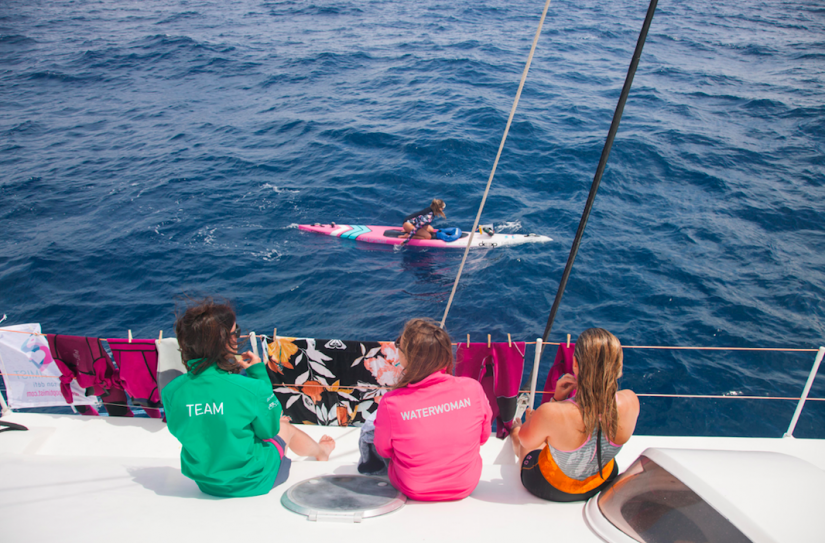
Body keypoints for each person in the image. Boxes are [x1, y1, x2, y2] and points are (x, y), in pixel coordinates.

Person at [162, 298, 335, 498]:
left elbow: (188, 427)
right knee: (284, 426)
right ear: (225, 341)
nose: (238, 336)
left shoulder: (172, 391)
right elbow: (268, 431)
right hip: (253, 480)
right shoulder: (250, 388)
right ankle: (321, 452)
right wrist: (258, 374)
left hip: (206, 482)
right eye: (235, 332)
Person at [510, 328, 639, 502]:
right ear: (618, 365)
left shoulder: (551, 412)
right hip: (603, 480)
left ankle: (514, 430)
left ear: (575, 364)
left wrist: (553, 403)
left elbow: (528, 441)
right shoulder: (631, 401)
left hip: (554, 488)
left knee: (524, 438)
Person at [373, 318, 492, 501]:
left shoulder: (391, 403)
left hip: (413, 488)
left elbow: (383, 450)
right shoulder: (473, 389)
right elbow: (483, 438)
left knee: (369, 431)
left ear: (408, 359)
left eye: (399, 344)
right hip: (465, 485)